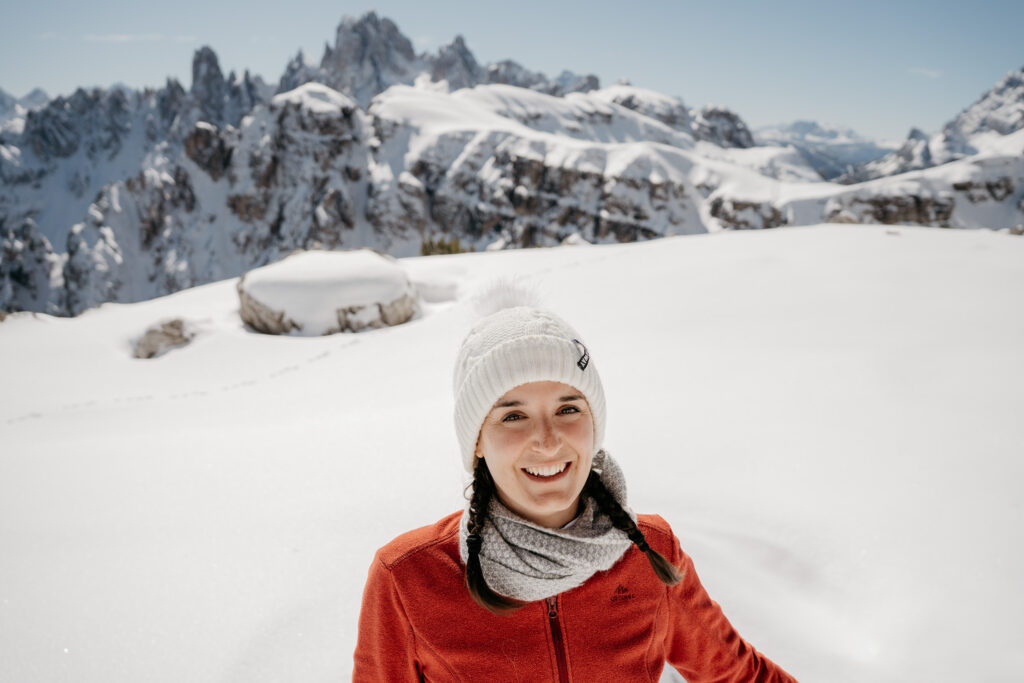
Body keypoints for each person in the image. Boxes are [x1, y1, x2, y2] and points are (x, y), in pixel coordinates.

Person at [353, 305, 796, 681]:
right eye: (513, 417)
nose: (547, 441)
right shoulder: (408, 578)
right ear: (476, 442)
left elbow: (740, 675)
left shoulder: (650, 552)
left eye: (568, 409)